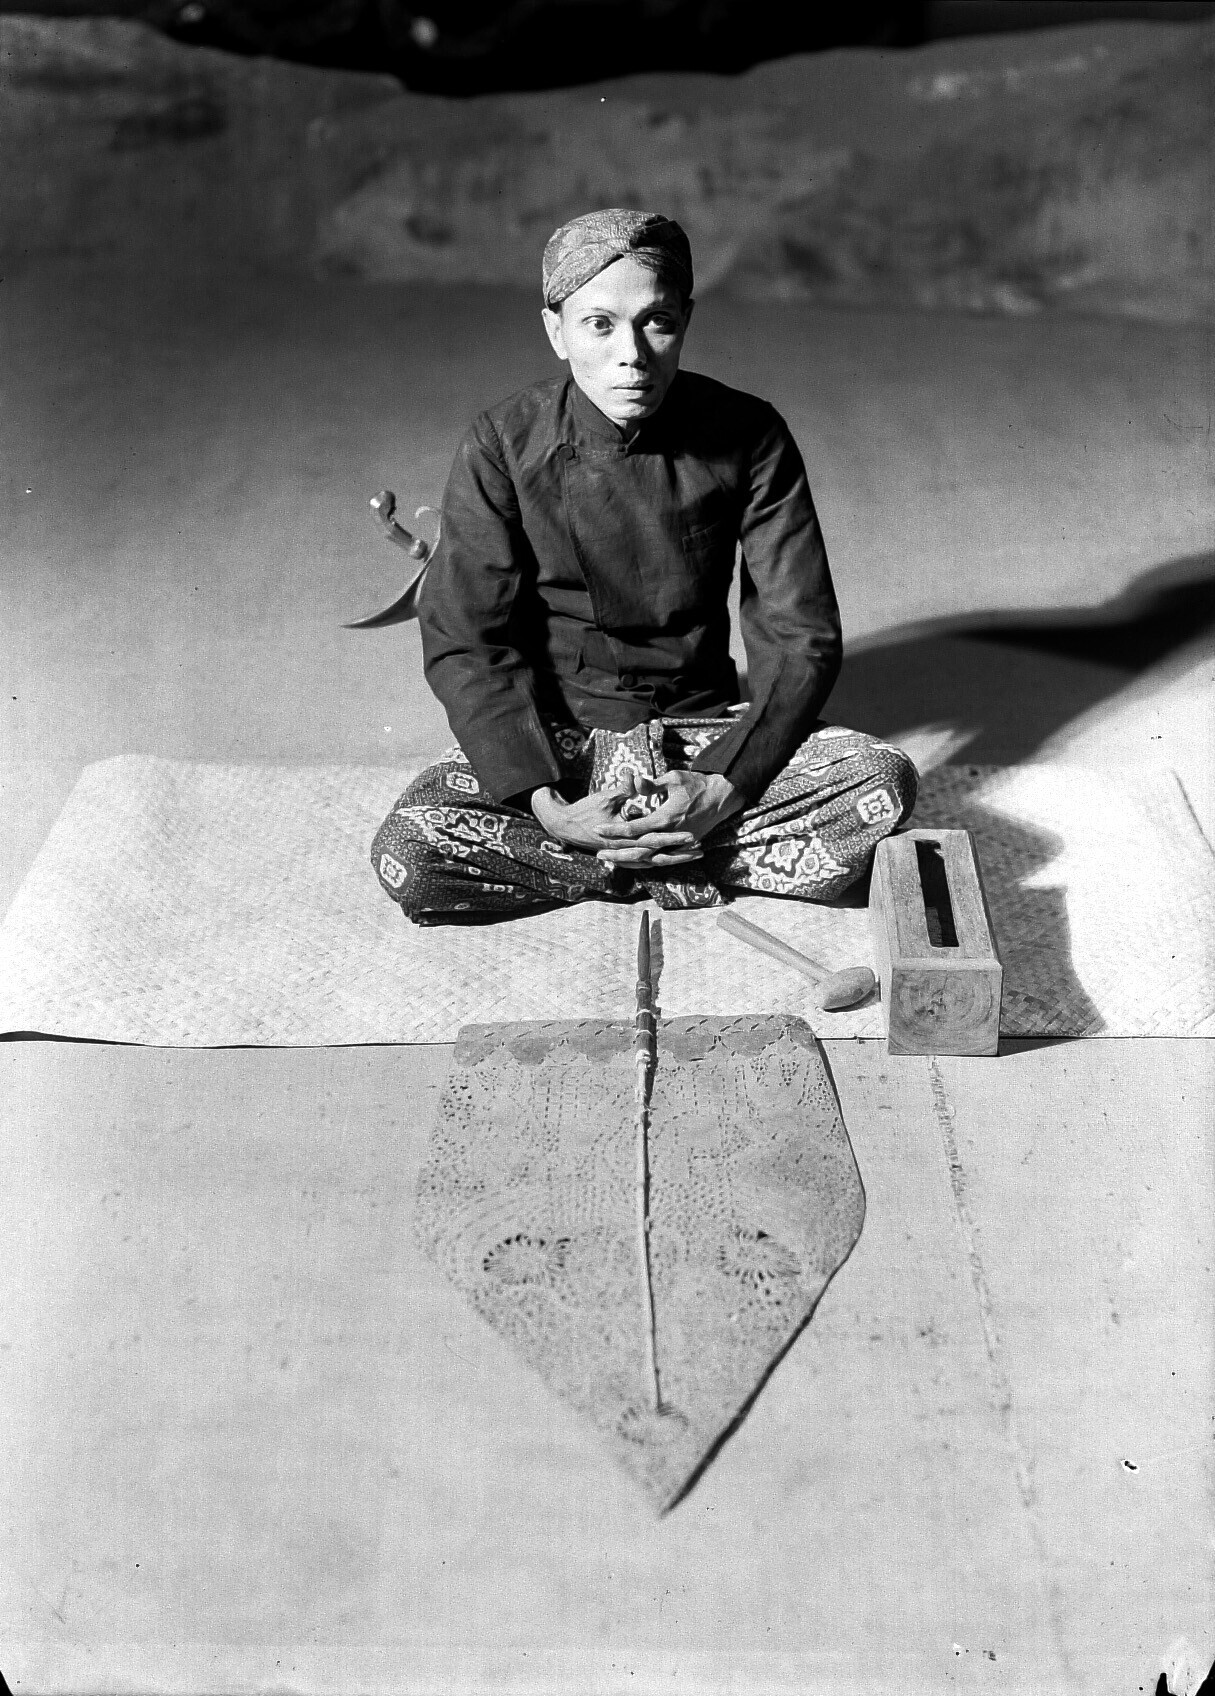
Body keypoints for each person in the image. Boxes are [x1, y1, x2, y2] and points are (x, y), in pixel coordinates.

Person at [371, 207, 917, 923]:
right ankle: (670, 855)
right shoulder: (502, 441)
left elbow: (798, 633)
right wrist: (549, 806)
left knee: (881, 781)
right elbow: (467, 640)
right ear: (556, 332)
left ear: (684, 321)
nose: (631, 354)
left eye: (656, 321)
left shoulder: (750, 433)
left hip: (703, 733)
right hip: (559, 741)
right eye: (598, 324)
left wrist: (722, 783)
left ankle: (615, 858)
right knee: (412, 851)